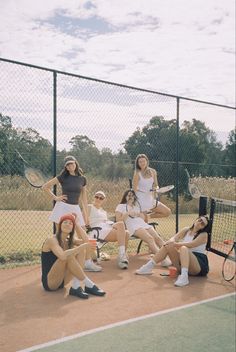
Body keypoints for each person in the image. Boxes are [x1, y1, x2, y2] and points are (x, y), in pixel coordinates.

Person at [42, 156, 102, 272]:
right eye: (68, 164)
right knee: (60, 236)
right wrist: (56, 198)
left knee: (83, 236)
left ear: (76, 163)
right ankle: (59, 261)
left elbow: (84, 199)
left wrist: (86, 215)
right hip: (62, 208)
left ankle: (88, 262)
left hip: (75, 208)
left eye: (72, 163)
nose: (70, 166)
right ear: (65, 167)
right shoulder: (62, 177)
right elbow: (45, 187)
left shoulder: (82, 179)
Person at [41, 213, 106, 299]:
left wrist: (77, 224)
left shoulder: (69, 240)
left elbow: (87, 241)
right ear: (60, 225)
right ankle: (88, 284)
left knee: (80, 250)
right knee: (69, 254)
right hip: (51, 283)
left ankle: (75, 286)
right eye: (65, 222)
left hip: (64, 280)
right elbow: (63, 256)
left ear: (72, 228)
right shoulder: (52, 240)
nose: (68, 224)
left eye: (70, 223)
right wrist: (81, 246)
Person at [135, 215, 210, 287]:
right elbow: (174, 238)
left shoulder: (204, 234)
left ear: (204, 227)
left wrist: (175, 244)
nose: (200, 222)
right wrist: (170, 242)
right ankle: (148, 267)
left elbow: (191, 244)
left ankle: (184, 277)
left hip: (197, 265)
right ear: (196, 219)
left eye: (202, 223)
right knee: (169, 245)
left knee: (183, 248)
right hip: (183, 262)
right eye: (200, 220)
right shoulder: (186, 230)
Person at [115, 189, 171, 267]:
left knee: (158, 238)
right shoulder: (120, 206)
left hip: (142, 224)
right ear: (125, 197)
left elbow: (143, 219)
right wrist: (127, 213)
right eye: (129, 195)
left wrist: (140, 214)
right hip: (133, 226)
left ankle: (171, 256)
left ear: (135, 197)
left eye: (132, 195)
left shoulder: (137, 206)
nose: (131, 197)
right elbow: (118, 220)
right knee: (150, 239)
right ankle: (162, 259)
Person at [88, 190, 129, 269]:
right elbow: (83, 221)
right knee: (122, 226)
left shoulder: (103, 211)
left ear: (104, 200)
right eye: (96, 197)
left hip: (106, 227)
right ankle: (122, 256)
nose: (98, 199)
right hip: (97, 230)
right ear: (94, 197)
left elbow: (106, 222)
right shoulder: (89, 206)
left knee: (126, 232)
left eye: (101, 198)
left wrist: (113, 225)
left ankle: (121, 256)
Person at [132, 154, 171, 220]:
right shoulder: (137, 174)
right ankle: (144, 218)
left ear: (147, 161)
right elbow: (134, 190)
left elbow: (156, 185)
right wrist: (133, 203)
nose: (142, 163)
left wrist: (156, 189)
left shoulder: (153, 171)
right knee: (144, 222)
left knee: (167, 212)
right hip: (140, 199)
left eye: (143, 161)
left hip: (150, 198)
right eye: (140, 162)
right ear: (138, 164)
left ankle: (147, 216)